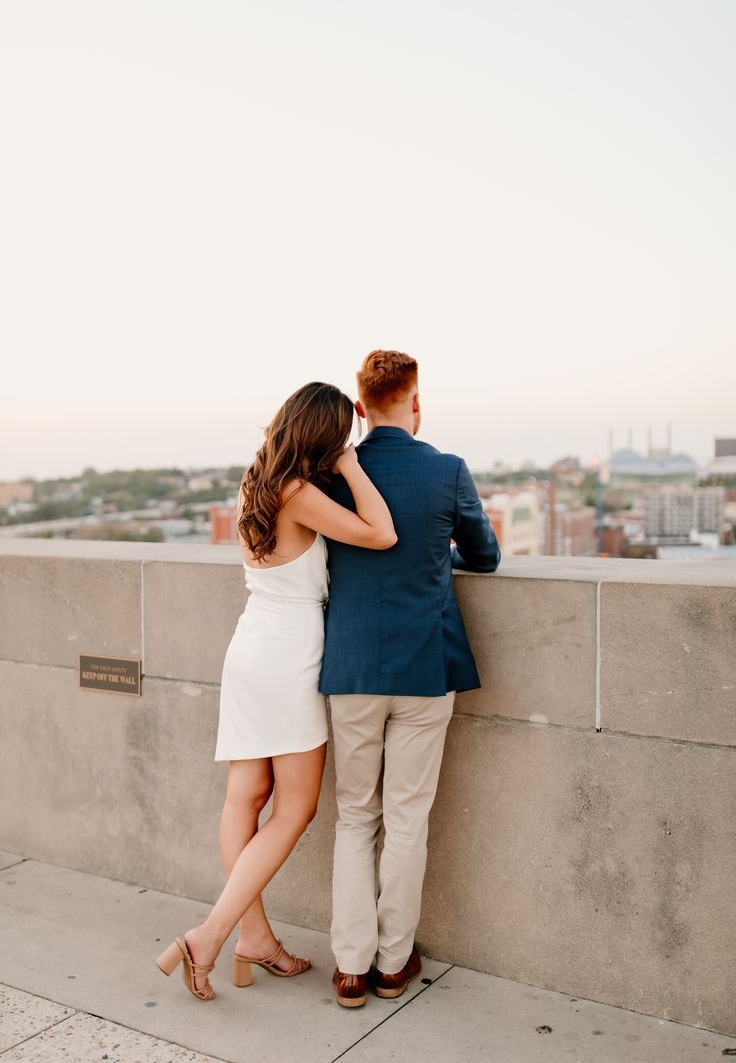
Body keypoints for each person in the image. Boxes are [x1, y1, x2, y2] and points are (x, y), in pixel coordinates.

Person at [155, 381, 396, 1000]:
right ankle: (208, 936)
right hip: (288, 657)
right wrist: (349, 462)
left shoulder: (256, 482)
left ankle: (254, 940)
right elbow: (381, 533)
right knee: (294, 810)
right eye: (339, 434)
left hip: (250, 649)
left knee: (245, 798)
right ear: (324, 435)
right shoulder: (298, 493)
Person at [320, 350, 501, 1007]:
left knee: (353, 817)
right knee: (406, 818)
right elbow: (485, 555)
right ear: (415, 400)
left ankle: (348, 967)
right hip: (425, 667)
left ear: (362, 407)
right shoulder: (447, 470)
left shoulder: (331, 474)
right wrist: (434, 547)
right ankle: (394, 963)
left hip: (351, 669)